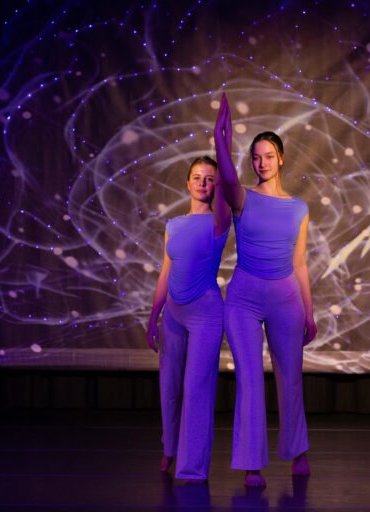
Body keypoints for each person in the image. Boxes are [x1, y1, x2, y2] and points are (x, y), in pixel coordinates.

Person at [213, 93, 317, 487]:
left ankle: (298, 451)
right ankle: (251, 465)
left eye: (269, 156)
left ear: (281, 159)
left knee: (290, 379)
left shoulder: (299, 208)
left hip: (286, 299)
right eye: (256, 157)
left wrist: (309, 312)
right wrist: (220, 138)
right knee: (250, 381)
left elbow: (300, 262)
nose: (262, 163)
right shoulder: (242, 197)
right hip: (244, 299)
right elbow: (226, 176)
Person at [147, 155, 231, 482]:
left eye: (209, 178)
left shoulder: (220, 219)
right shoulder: (173, 226)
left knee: (196, 389)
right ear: (187, 182)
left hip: (205, 314)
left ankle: (193, 467)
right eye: (197, 177)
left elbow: (226, 183)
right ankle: (169, 448)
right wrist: (153, 316)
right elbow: (165, 273)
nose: (202, 183)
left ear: (216, 186)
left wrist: (222, 140)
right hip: (173, 314)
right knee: (169, 387)